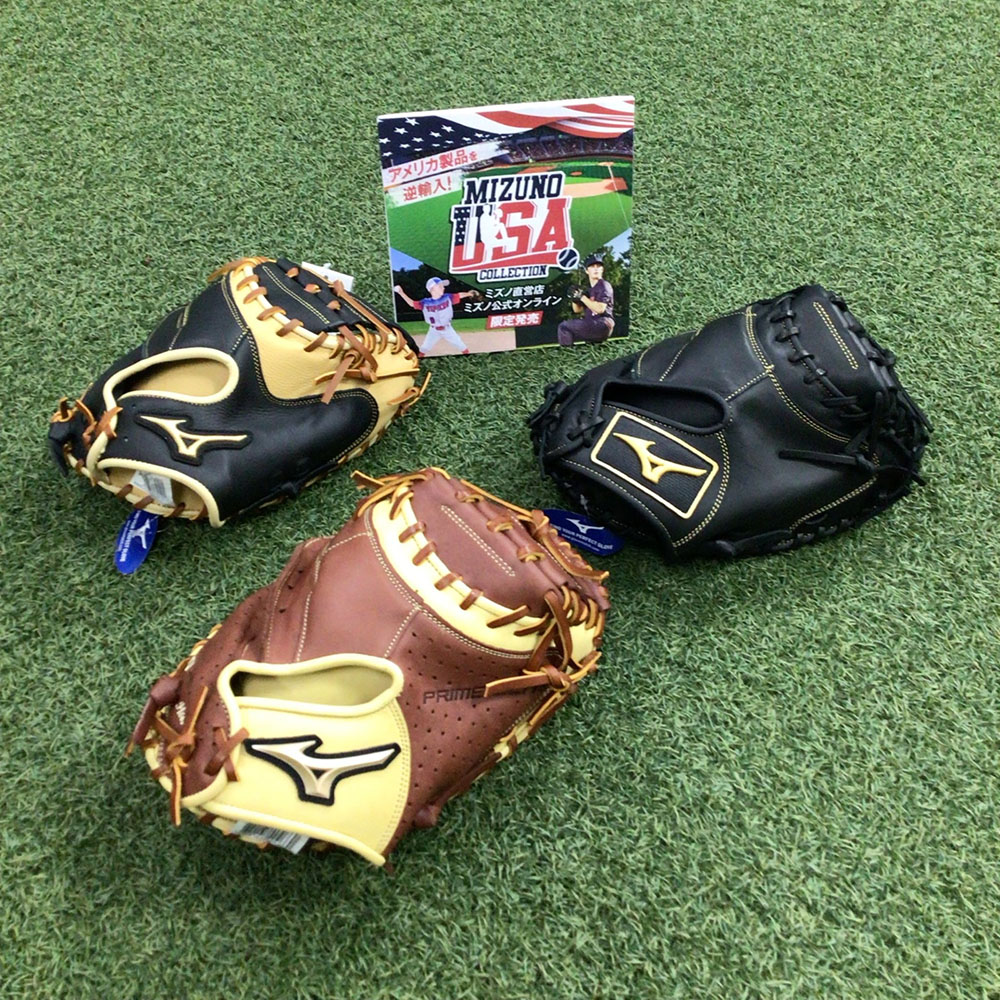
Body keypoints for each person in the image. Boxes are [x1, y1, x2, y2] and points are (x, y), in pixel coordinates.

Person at [394, 277, 475, 357]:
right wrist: (401, 292)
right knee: (424, 348)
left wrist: (469, 294)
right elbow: (412, 304)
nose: (443, 288)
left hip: (447, 329)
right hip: (433, 331)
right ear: (432, 288)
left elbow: (459, 295)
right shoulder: (425, 302)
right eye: (440, 286)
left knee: (461, 346)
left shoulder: (447, 297)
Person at [557, 254, 615, 346]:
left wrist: (581, 297)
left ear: (602, 269)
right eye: (592, 266)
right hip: (592, 324)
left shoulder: (604, 285)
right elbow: (577, 310)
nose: (596, 269)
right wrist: (574, 298)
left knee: (564, 327)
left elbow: (600, 309)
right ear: (587, 271)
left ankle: (567, 351)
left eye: (598, 266)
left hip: (603, 323)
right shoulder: (589, 290)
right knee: (591, 347)